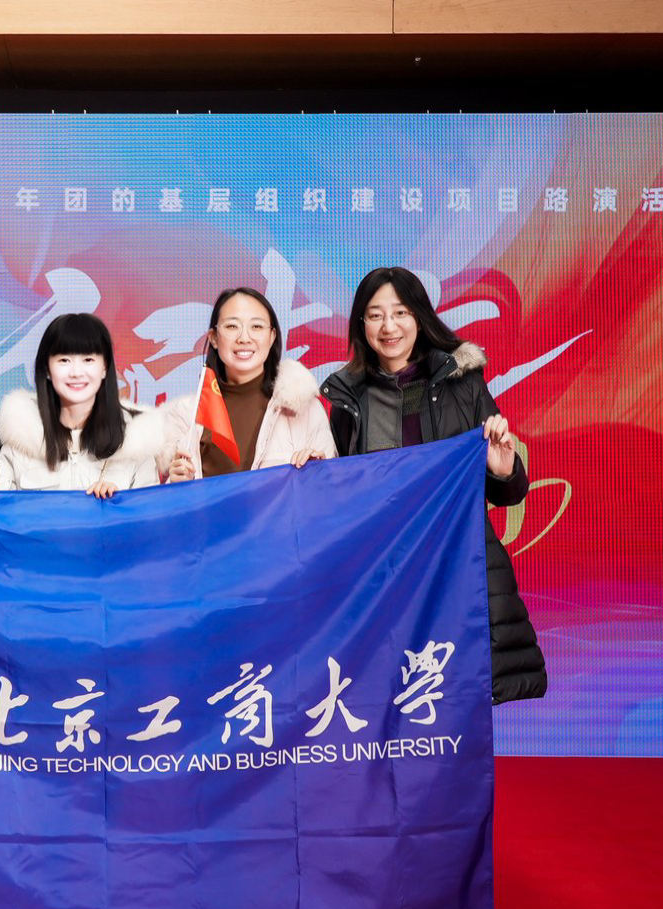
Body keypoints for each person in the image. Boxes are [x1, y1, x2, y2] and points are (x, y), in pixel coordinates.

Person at [320, 266, 547, 704]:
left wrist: (502, 468)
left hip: (457, 570)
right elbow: (342, 501)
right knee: (389, 705)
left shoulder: (461, 383)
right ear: (361, 324)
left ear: (419, 317)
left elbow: (508, 491)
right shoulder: (349, 401)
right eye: (375, 315)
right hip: (385, 578)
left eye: (400, 312)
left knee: (459, 704)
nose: (388, 327)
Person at [0, 313, 164, 496]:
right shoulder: (22, 433)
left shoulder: (137, 437)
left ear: (105, 368)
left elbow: (149, 510)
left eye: (88, 360)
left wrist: (119, 503)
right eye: (64, 360)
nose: (76, 372)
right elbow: (0, 507)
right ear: (47, 369)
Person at [163, 287, 335, 481]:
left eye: (257, 327)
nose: (244, 338)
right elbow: (167, 496)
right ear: (213, 338)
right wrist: (176, 485)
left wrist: (318, 471)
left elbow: (330, 488)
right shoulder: (187, 415)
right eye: (232, 326)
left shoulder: (304, 407)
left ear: (272, 336)